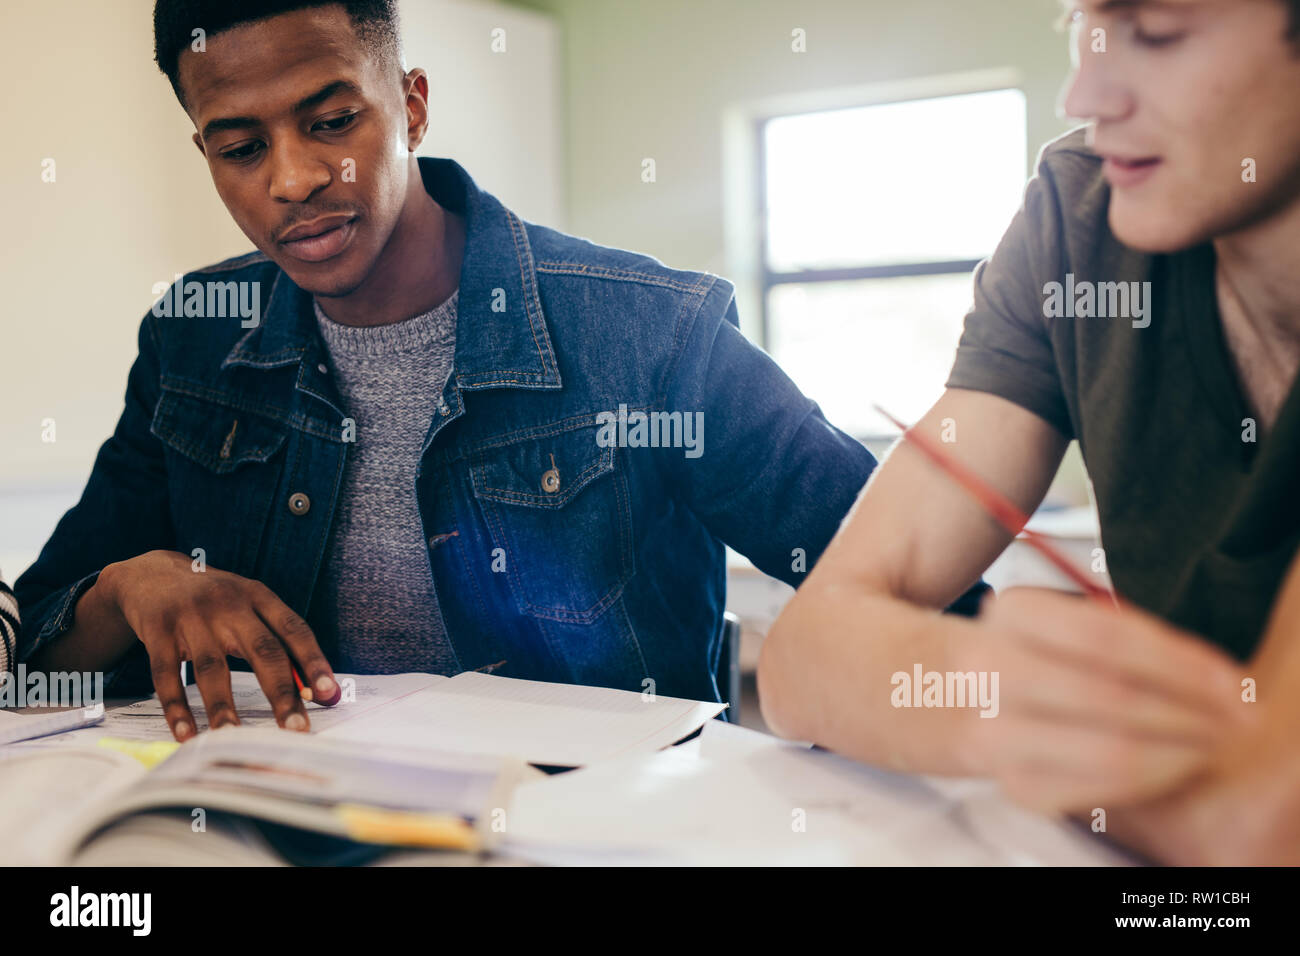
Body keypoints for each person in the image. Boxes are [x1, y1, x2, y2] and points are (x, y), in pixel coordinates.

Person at [15, 0, 930, 742]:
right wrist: (129, 586)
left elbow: (924, 596)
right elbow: (32, 666)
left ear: (411, 104)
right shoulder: (193, 338)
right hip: (284, 830)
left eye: (331, 121)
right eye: (241, 148)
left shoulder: (650, 331)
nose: (291, 179)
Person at [759, 0, 1300, 864]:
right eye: (1081, 28)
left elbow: (1267, 820)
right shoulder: (1082, 218)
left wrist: (932, 697)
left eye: (1157, 32)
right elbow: (802, 660)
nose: (1084, 92)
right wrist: (994, 700)